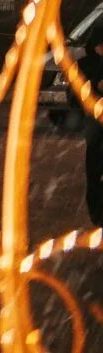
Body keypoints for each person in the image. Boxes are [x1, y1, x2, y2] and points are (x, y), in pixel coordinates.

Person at [82, 30, 103, 229]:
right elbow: (75, 96)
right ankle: (97, 215)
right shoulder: (87, 65)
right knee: (95, 171)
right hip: (96, 128)